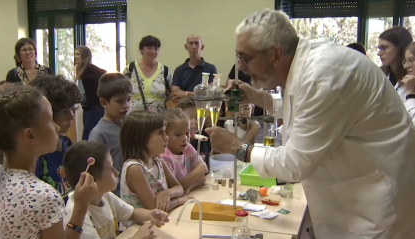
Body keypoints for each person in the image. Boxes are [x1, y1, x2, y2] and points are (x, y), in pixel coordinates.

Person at [207, 9, 415, 239]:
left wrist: (238, 147)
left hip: (375, 208)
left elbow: (295, 164)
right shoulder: (307, 63)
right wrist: (257, 97)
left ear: (276, 55)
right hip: (352, 197)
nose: (241, 67)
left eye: (245, 58)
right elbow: (303, 106)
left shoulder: (324, 75)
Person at [0, 86, 95, 239]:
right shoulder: (43, 196)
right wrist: (81, 204)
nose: (57, 127)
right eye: (50, 120)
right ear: (30, 135)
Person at [63, 141, 169, 239]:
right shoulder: (76, 213)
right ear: (91, 180)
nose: (116, 172)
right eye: (110, 169)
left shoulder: (105, 195)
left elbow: (132, 213)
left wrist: (150, 214)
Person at [119, 110, 192, 229]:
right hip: (137, 231)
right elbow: (154, 209)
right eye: (160, 133)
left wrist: (167, 193)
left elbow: (179, 187)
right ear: (141, 138)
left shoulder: (158, 161)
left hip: (156, 225)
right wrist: (180, 200)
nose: (166, 138)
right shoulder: (135, 168)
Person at [29, 75, 82, 204]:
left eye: (72, 109)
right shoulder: (36, 154)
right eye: (64, 111)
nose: (71, 116)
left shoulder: (67, 143)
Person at [89, 73, 132, 196]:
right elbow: (96, 174)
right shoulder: (98, 134)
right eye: (119, 101)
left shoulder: (129, 125)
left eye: (128, 100)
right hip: (115, 197)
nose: (126, 105)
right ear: (104, 102)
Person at [159, 109, 207, 194]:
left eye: (187, 133)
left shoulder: (188, 147)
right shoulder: (164, 156)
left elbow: (203, 176)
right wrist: (199, 171)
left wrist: (189, 186)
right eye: (178, 135)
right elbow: (174, 187)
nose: (185, 138)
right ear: (164, 135)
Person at [123, 35, 172, 113]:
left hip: (158, 119)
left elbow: (170, 95)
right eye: (149, 48)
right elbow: (122, 92)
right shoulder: (130, 69)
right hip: (134, 118)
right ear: (141, 50)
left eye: (156, 49)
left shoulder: (164, 71)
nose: (153, 52)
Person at [171, 35, 217, 102]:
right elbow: (175, 95)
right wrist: (200, 94)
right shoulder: (179, 70)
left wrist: (186, 94)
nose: (194, 46)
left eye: (197, 43)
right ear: (186, 47)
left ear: (202, 47)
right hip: (183, 108)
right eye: (191, 43)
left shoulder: (211, 68)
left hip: (204, 107)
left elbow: (212, 93)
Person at [75, 46, 107, 140]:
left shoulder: (91, 70)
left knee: (89, 135)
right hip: (86, 108)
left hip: (95, 107)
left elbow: (105, 76)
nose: (75, 57)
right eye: (75, 54)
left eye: (78, 54)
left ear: (84, 56)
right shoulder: (80, 69)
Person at [176, 98, 211, 168]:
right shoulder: (179, 143)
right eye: (189, 118)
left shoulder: (205, 136)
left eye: (197, 117)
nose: (194, 122)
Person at [401, 42, 415, 123]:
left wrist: (411, 95)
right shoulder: (406, 86)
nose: (406, 66)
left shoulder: (410, 89)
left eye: (411, 60)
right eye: (405, 61)